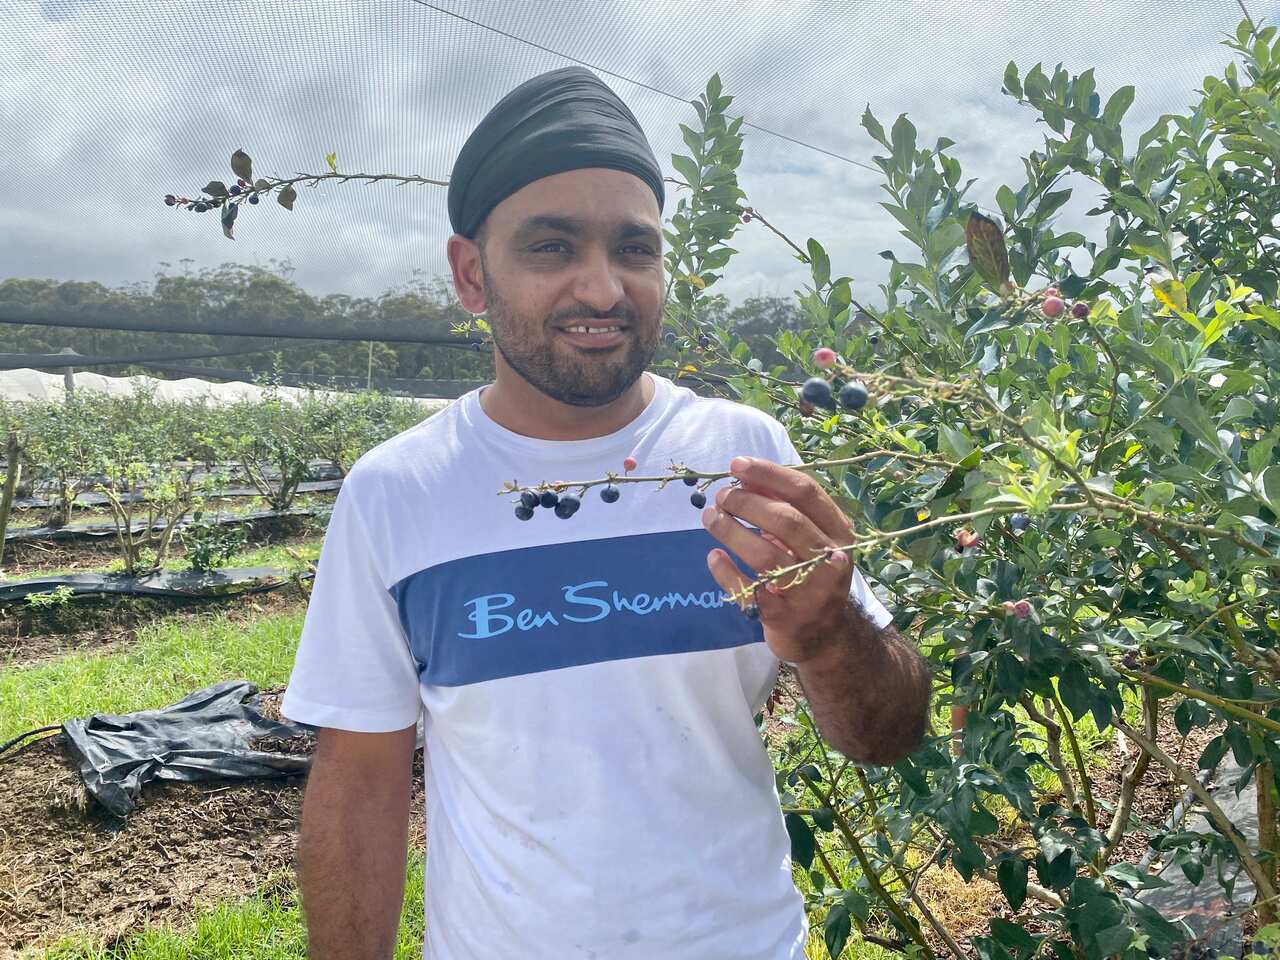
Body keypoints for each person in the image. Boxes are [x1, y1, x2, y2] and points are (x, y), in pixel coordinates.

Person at [281, 64, 931, 960]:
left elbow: (884, 738)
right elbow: (359, 777)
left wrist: (834, 638)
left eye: (634, 249)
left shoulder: (747, 458)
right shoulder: (399, 491)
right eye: (551, 248)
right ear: (472, 275)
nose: (602, 288)